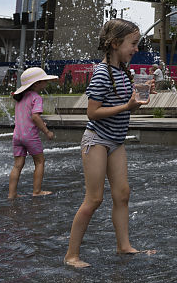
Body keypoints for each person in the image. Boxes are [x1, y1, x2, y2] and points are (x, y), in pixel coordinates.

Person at [65, 18, 154, 268]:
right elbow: (92, 112)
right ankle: (71, 255)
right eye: (133, 44)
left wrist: (139, 96)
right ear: (115, 44)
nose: (136, 49)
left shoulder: (124, 72)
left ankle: (124, 246)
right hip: (97, 141)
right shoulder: (103, 73)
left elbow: (123, 109)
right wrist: (127, 105)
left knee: (122, 194)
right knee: (94, 199)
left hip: (116, 140)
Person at [8, 66, 57, 199]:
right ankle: (37, 191)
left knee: (17, 165)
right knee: (40, 162)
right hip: (30, 136)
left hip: (17, 136)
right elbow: (35, 117)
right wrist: (47, 131)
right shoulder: (36, 97)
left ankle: (11, 194)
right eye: (44, 80)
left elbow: (26, 117)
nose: (46, 83)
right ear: (37, 83)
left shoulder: (20, 98)